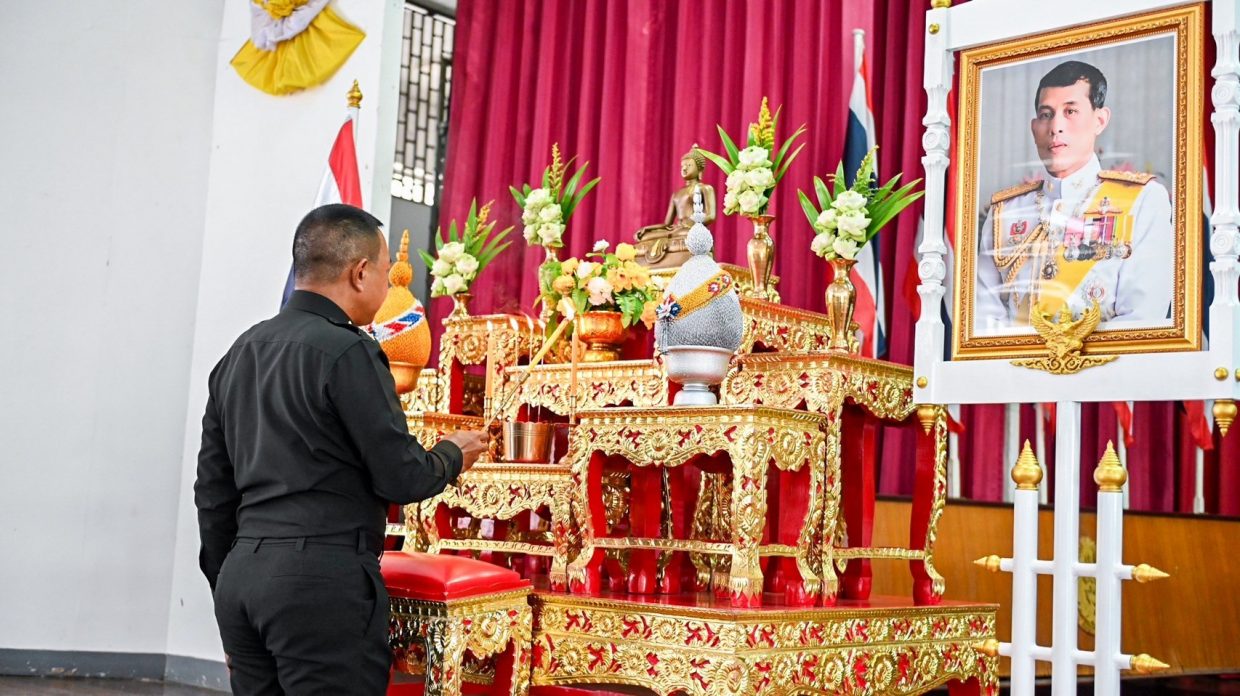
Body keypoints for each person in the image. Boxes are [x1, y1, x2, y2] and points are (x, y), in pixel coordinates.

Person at [195, 203, 487, 695]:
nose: (387, 290)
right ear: (360, 272)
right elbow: (401, 475)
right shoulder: (349, 351)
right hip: (320, 582)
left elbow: (212, 493)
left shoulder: (239, 352)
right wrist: (453, 453)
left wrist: (227, 587)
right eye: (385, 276)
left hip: (242, 580)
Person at [975, 60, 1173, 332]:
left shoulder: (1141, 200)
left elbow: (1141, 319)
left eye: (1070, 111)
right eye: (1046, 114)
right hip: (1015, 359)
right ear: (1034, 128)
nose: (1056, 126)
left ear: (1099, 120)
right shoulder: (1005, 213)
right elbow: (984, 324)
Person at [634, 145, 718, 269]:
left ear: (699, 169)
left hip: (690, 229)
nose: (684, 168)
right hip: (676, 229)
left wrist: (693, 222)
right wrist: (647, 229)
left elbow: (711, 216)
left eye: (689, 165)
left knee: (688, 236)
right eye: (682, 166)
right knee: (645, 238)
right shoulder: (677, 193)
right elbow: (667, 223)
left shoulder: (705, 188)